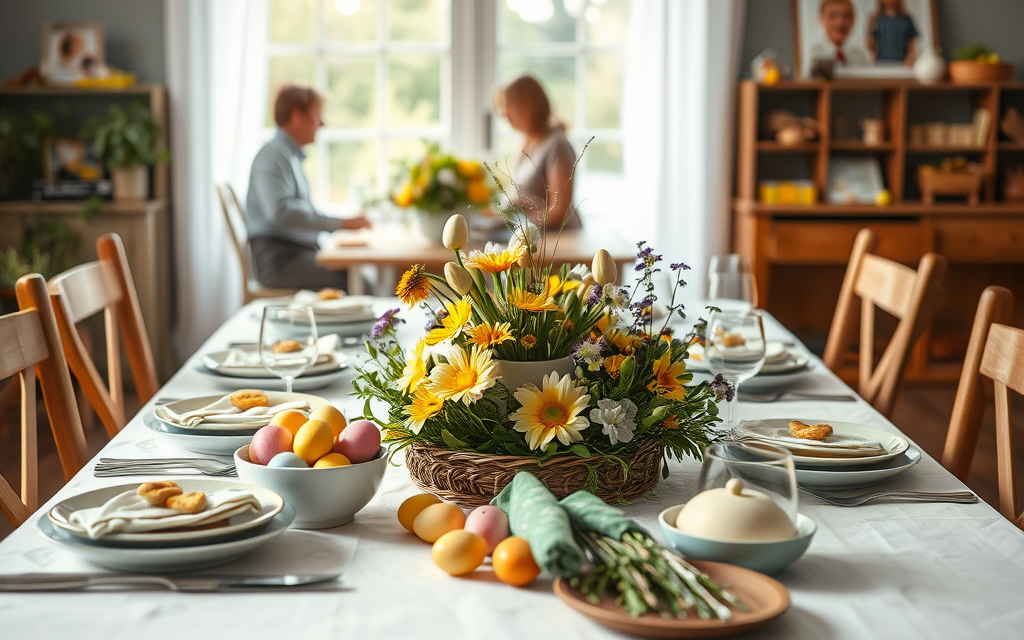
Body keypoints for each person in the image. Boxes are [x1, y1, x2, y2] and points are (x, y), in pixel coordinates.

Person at [246, 84, 371, 290]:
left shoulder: (286, 156)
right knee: (357, 281)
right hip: (279, 262)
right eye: (317, 115)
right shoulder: (272, 157)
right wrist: (341, 223)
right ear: (297, 116)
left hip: (294, 254)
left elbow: (297, 211)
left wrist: (341, 224)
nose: (322, 123)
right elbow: (280, 212)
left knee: (360, 275)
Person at [494, 75, 579, 230]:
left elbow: (559, 211)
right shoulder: (524, 143)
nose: (503, 114)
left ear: (529, 106)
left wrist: (513, 226)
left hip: (559, 241)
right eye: (502, 107)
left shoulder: (557, 145)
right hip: (535, 236)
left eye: (509, 106)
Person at [809, 0, 872, 70]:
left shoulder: (860, 57)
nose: (840, 22)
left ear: (853, 21)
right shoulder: (813, 55)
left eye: (846, 16)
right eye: (832, 16)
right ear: (821, 19)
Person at [867, 0, 918, 66]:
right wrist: (873, 58)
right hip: (881, 64)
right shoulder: (876, 18)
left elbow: (912, 44)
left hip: (902, 63)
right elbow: (870, 43)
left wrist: (909, 60)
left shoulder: (906, 18)